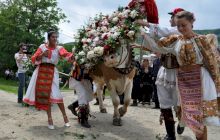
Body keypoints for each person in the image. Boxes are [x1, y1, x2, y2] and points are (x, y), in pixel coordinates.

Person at [141, 11, 220, 140]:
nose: (181, 29)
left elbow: (211, 62)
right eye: (179, 26)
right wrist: (144, 35)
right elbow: (158, 46)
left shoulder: (201, 40)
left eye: (184, 25)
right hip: (183, 81)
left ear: (192, 23)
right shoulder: (175, 40)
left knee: (200, 116)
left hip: (200, 79)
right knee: (190, 115)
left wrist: (216, 83)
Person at [135, 8, 186, 140]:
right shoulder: (167, 34)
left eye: (173, 17)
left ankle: (182, 122)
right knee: (164, 103)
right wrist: (143, 33)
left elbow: (163, 32)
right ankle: (170, 135)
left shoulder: (180, 32)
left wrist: (144, 24)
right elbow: (156, 44)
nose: (170, 19)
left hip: (178, 72)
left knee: (179, 103)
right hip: (164, 71)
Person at [23, 30, 74, 130]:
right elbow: (33, 59)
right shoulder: (42, 47)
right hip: (41, 72)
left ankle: (65, 118)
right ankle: (50, 119)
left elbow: (66, 55)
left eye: (56, 37)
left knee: (57, 95)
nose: (55, 39)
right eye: (53, 37)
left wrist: (73, 56)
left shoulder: (59, 48)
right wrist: (42, 55)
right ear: (48, 38)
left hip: (52, 72)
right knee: (45, 96)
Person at [68, 61, 94, 128]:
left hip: (87, 80)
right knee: (83, 96)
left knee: (89, 97)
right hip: (78, 79)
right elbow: (78, 68)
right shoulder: (80, 56)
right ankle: (83, 119)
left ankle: (73, 105)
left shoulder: (96, 58)